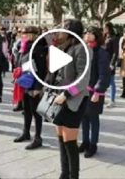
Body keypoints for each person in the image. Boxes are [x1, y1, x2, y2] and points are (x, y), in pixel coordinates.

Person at [51, 19, 92, 179]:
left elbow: (83, 80)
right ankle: (64, 173)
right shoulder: (66, 47)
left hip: (74, 101)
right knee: (61, 139)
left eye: (62, 29)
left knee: (69, 142)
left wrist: (66, 94)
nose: (59, 32)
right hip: (59, 98)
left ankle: (73, 176)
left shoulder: (83, 49)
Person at [13, 26, 48, 150]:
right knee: (26, 109)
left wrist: (38, 87)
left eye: (25, 33)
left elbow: (42, 69)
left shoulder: (38, 48)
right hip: (24, 82)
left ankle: (38, 137)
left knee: (35, 111)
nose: (22, 35)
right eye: (22, 33)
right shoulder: (22, 47)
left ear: (32, 35)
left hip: (34, 84)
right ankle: (26, 132)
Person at [79, 26, 110, 158]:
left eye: (90, 33)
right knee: (83, 117)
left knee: (93, 118)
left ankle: (93, 144)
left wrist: (98, 91)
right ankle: (85, 141)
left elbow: (104, 74)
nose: (87, 35)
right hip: (82, 90)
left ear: (96, 35)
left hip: (94, 90)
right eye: (86, 32)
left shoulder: (101, 52)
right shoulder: (83, 49)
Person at [103, 22, 119, 108]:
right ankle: (103, 97)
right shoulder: (105, 37)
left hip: (110, 62)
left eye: (105, 28)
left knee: (111, 81)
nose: (104, 29)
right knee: (103, 80)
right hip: (104, 61)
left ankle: (112, 100)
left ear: (108, 28)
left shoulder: (114, 38)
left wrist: (112, 64)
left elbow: (115, 53)